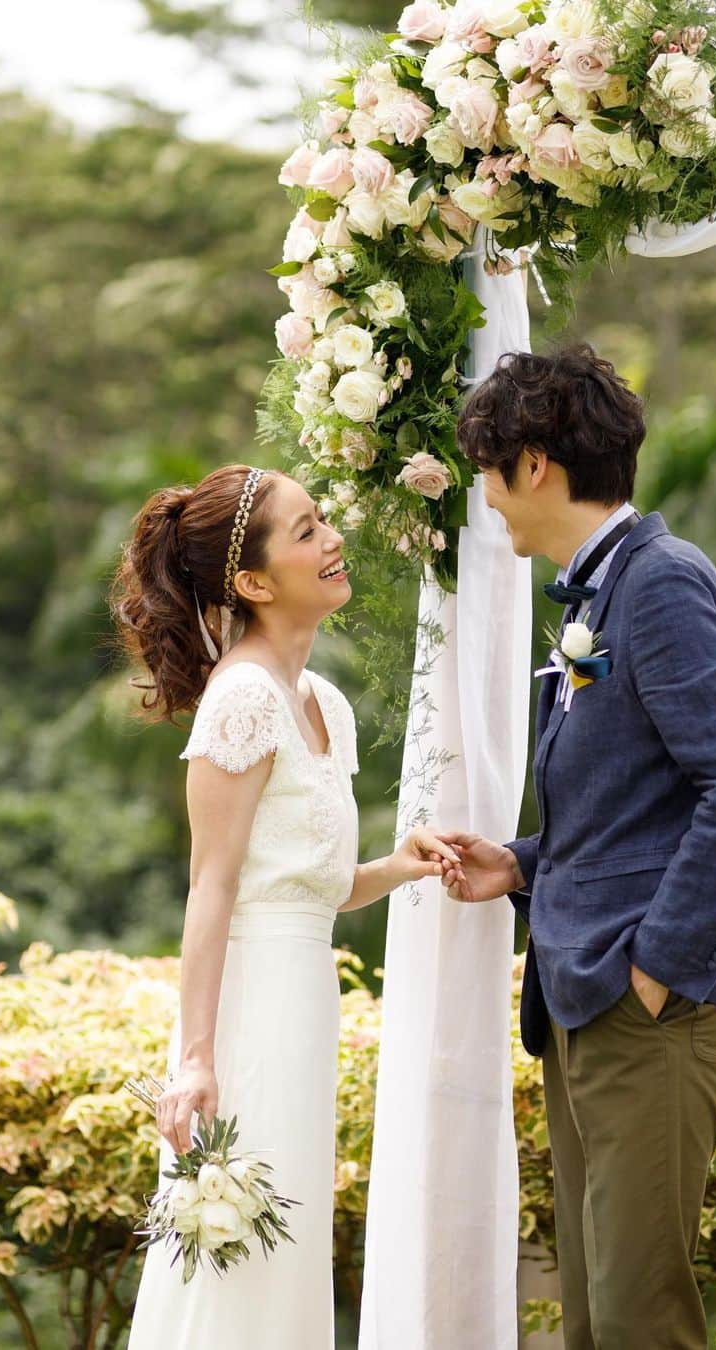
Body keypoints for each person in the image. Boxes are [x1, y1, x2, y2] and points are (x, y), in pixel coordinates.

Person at [441, 345, 716, 1350]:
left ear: (535, 463)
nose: (489, 499)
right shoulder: (598, 594)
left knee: (642, 1324)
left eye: (489, 470)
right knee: (595, 1320)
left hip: (648, 1011)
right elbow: (636, 804)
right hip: (584, 1004)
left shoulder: (662, 584)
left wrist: (657, 969)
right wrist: (524, 863)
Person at [112, 463, 461, 1350]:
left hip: (307, 1004)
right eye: (305, 531)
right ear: (254, 583)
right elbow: (213, 887)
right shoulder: (240, 700)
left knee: (287, 1245)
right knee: (237, 1249)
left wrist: (400, 864)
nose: (332, 539)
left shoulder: (324, 706)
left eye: (323, 520)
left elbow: (319, 886)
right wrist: (194, 1059)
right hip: (249, 1013)